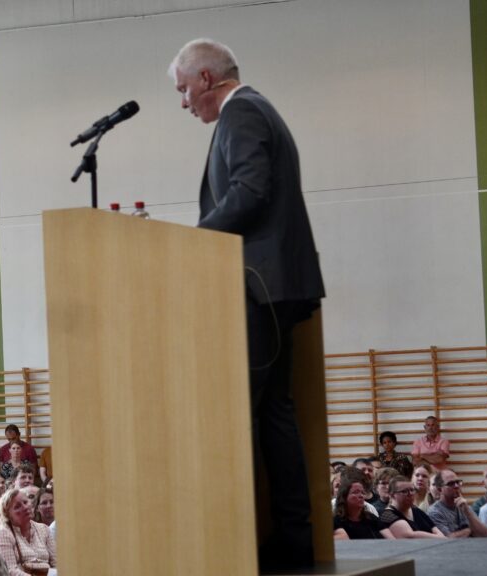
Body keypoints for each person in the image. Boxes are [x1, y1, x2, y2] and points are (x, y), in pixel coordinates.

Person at [169, 38, 324, 570]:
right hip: (272, 286)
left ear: (206, 79)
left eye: (184, 89)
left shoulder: (242, 112)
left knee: (244, 413)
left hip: (260, 286)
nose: (183, 102)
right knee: (272, 411)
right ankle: (292, 538)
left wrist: (194, 241)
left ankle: (244, 541)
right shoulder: (255, 109)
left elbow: (250, 191)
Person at [0, 489, 54, 575]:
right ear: (7, 514)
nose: (25, 507)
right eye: (17, 507)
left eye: (25, 502)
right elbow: (9, 571)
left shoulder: (44, 529)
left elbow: (56, 563)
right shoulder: (2, 533)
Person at [427, 469, 487, 538]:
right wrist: (469, 530)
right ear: (440, 489)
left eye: (458, 482)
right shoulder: (435, 512)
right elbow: (447, 539)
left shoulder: (464, 506)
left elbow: (486, 535)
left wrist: (468, 512)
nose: (456, 486)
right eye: (451, 484)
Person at [378, 476, 446, 539]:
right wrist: (439, 538)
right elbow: (410, 536)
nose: (410, 494)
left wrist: (441, 538)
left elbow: (438, 532)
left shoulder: (417, 511)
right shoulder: (387, 515)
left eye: (412, 490)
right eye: (404, 491)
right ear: (392, 495)